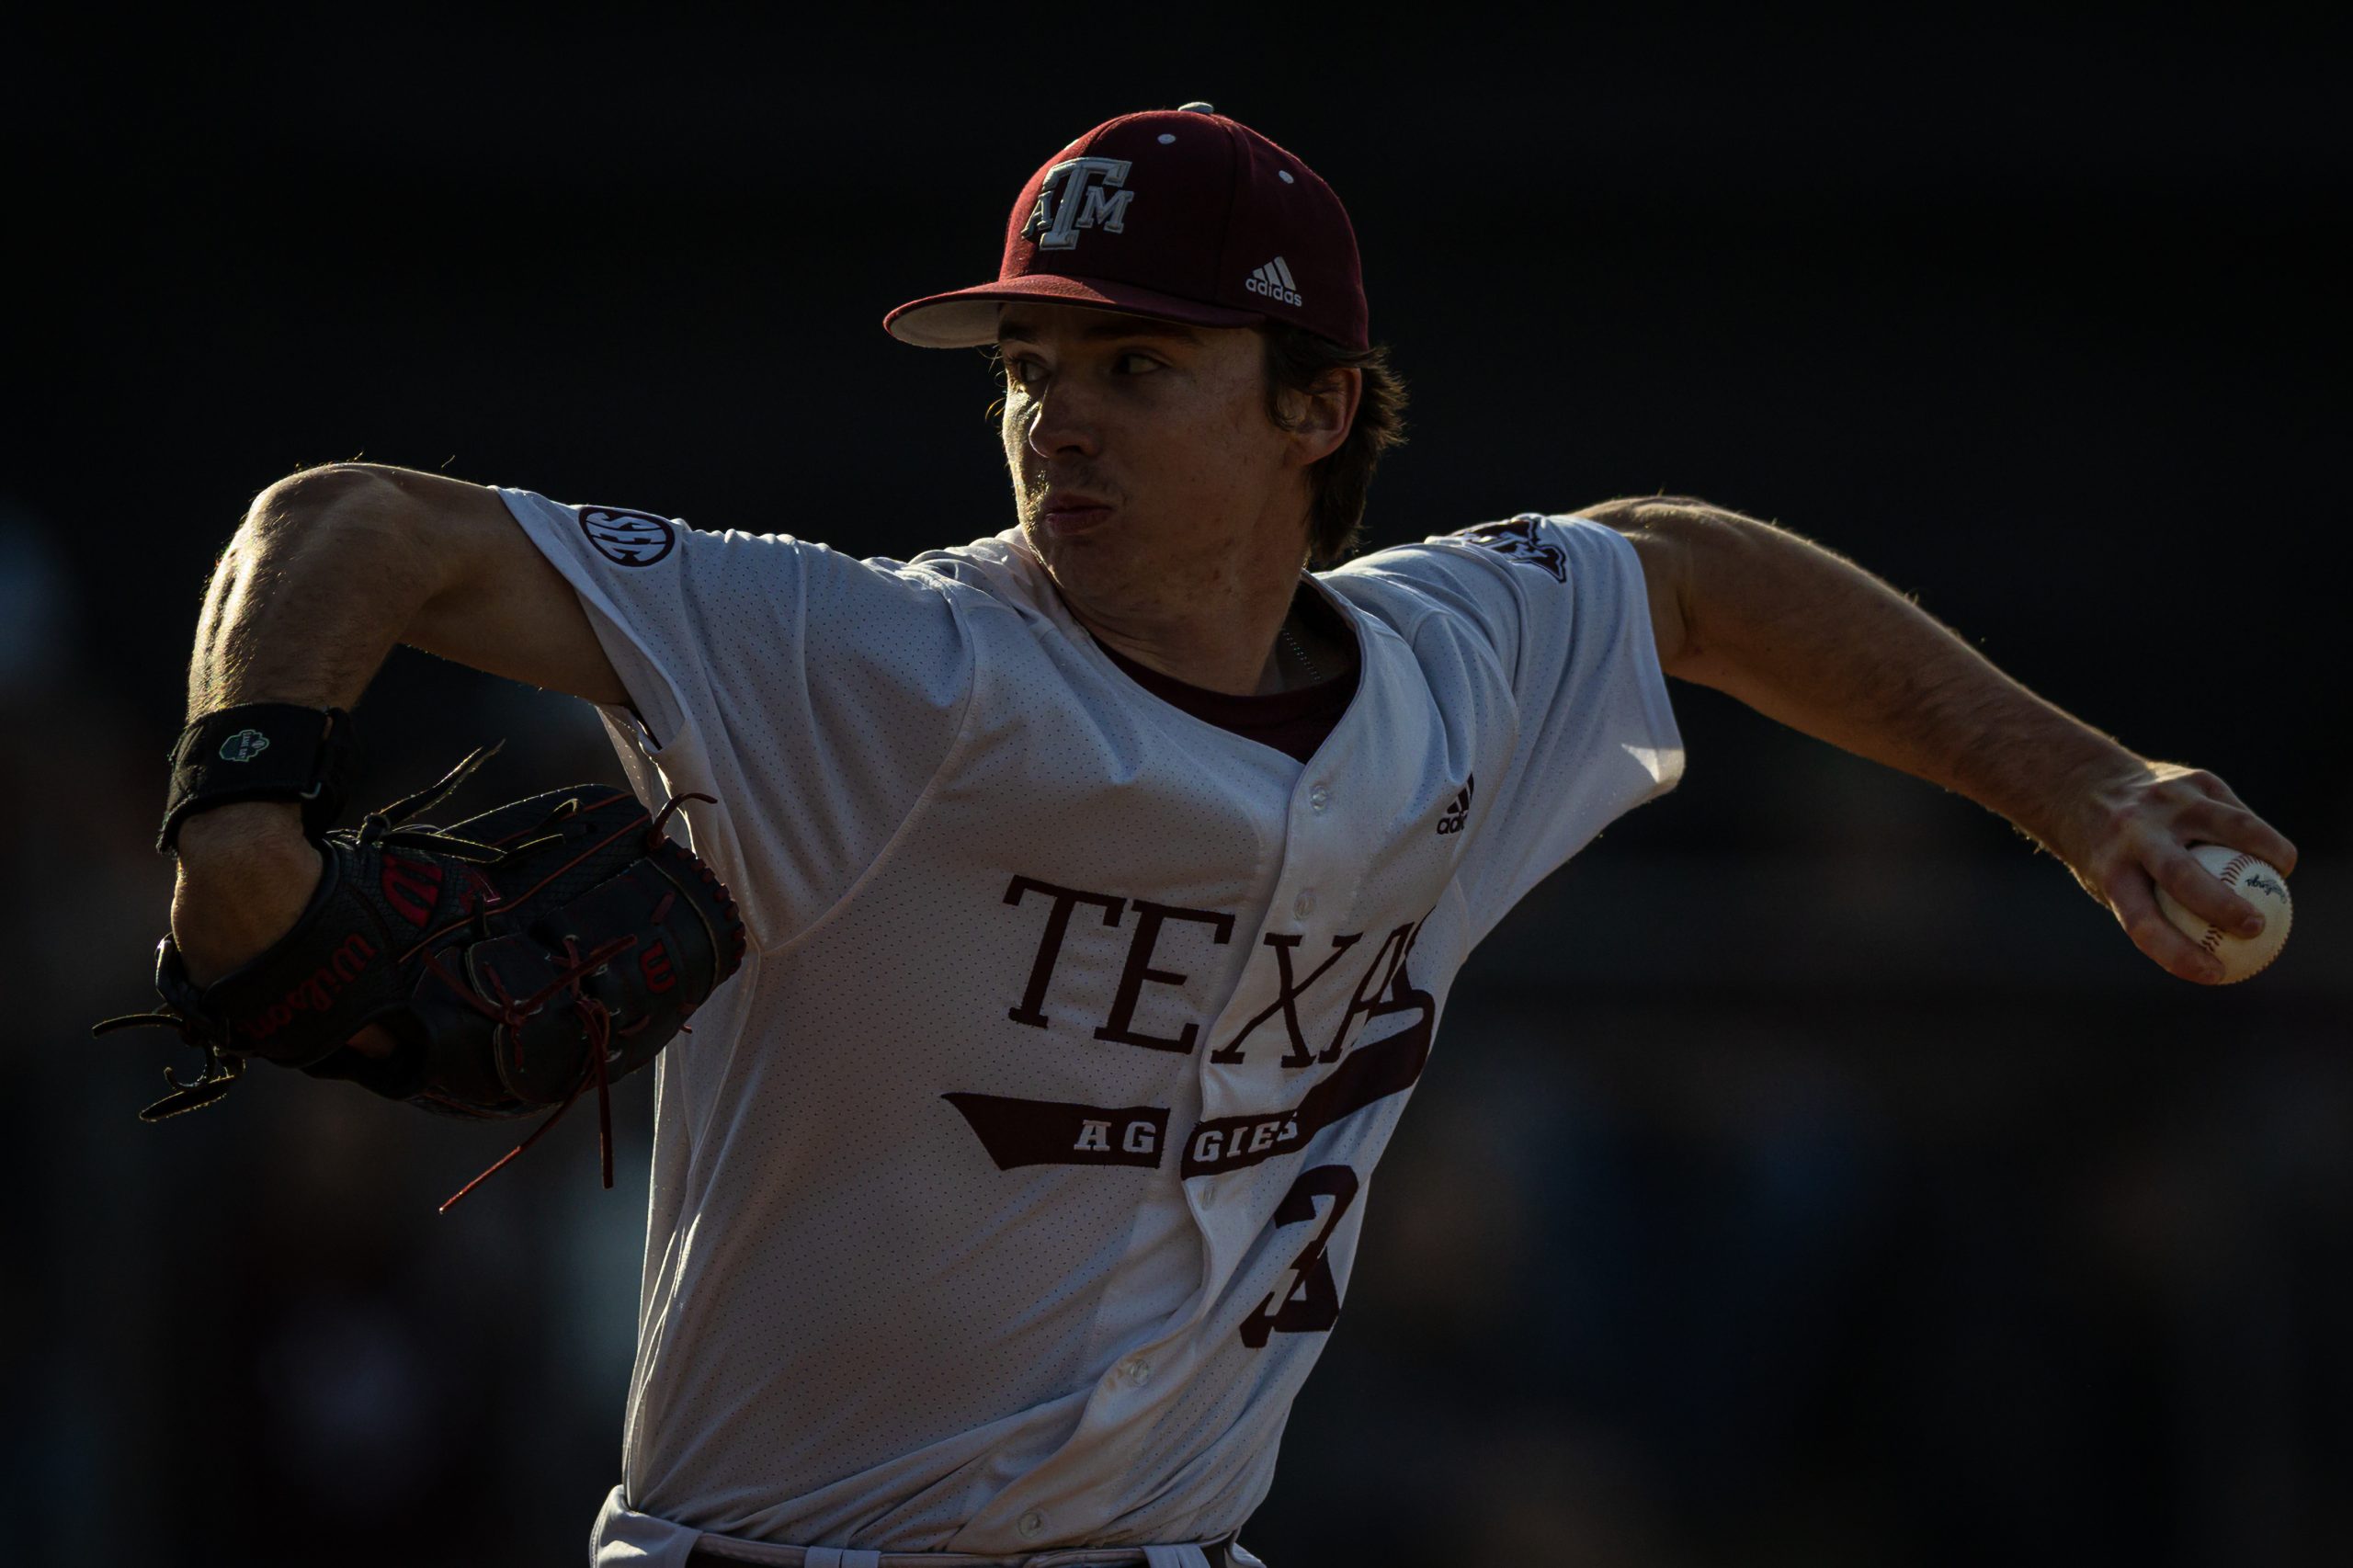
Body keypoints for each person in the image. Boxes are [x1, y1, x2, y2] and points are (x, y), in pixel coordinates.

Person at [165, 105, 2296, 1566]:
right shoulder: (890, 670)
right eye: (1026, 360)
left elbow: (1687, 577)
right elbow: (349, 528)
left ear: (1314, 408)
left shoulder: (1455, 665)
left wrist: (2083, 788)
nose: (1050, 410)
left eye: (1136, 361)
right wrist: (245, 814)